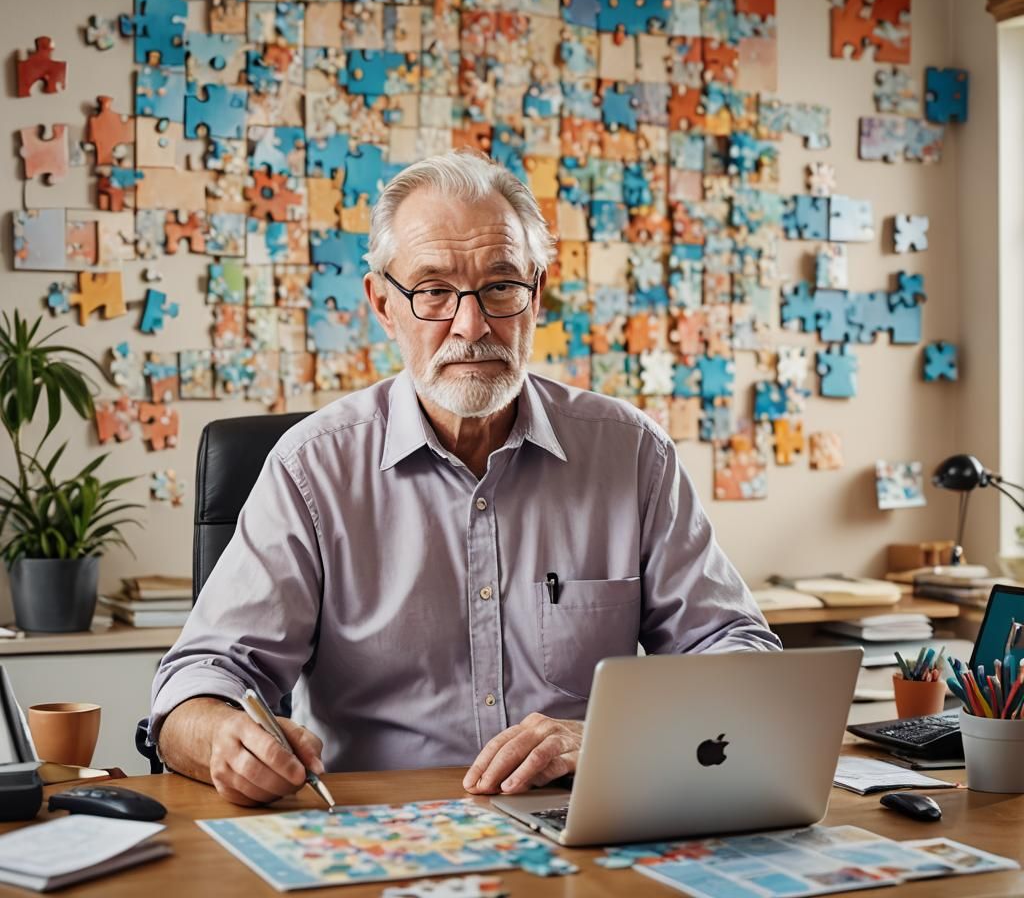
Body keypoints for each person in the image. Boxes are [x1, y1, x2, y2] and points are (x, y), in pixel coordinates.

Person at [149, 149, 780, 807]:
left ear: (536, 294)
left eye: (500, 286)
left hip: (584, 826)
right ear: (383, 304)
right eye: (433, 291)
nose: (471, 325)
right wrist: (224, 736)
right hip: (380, 834)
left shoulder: (631, 453)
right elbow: (198, 682)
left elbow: (739, 655)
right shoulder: (311, 468)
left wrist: (614, 739)